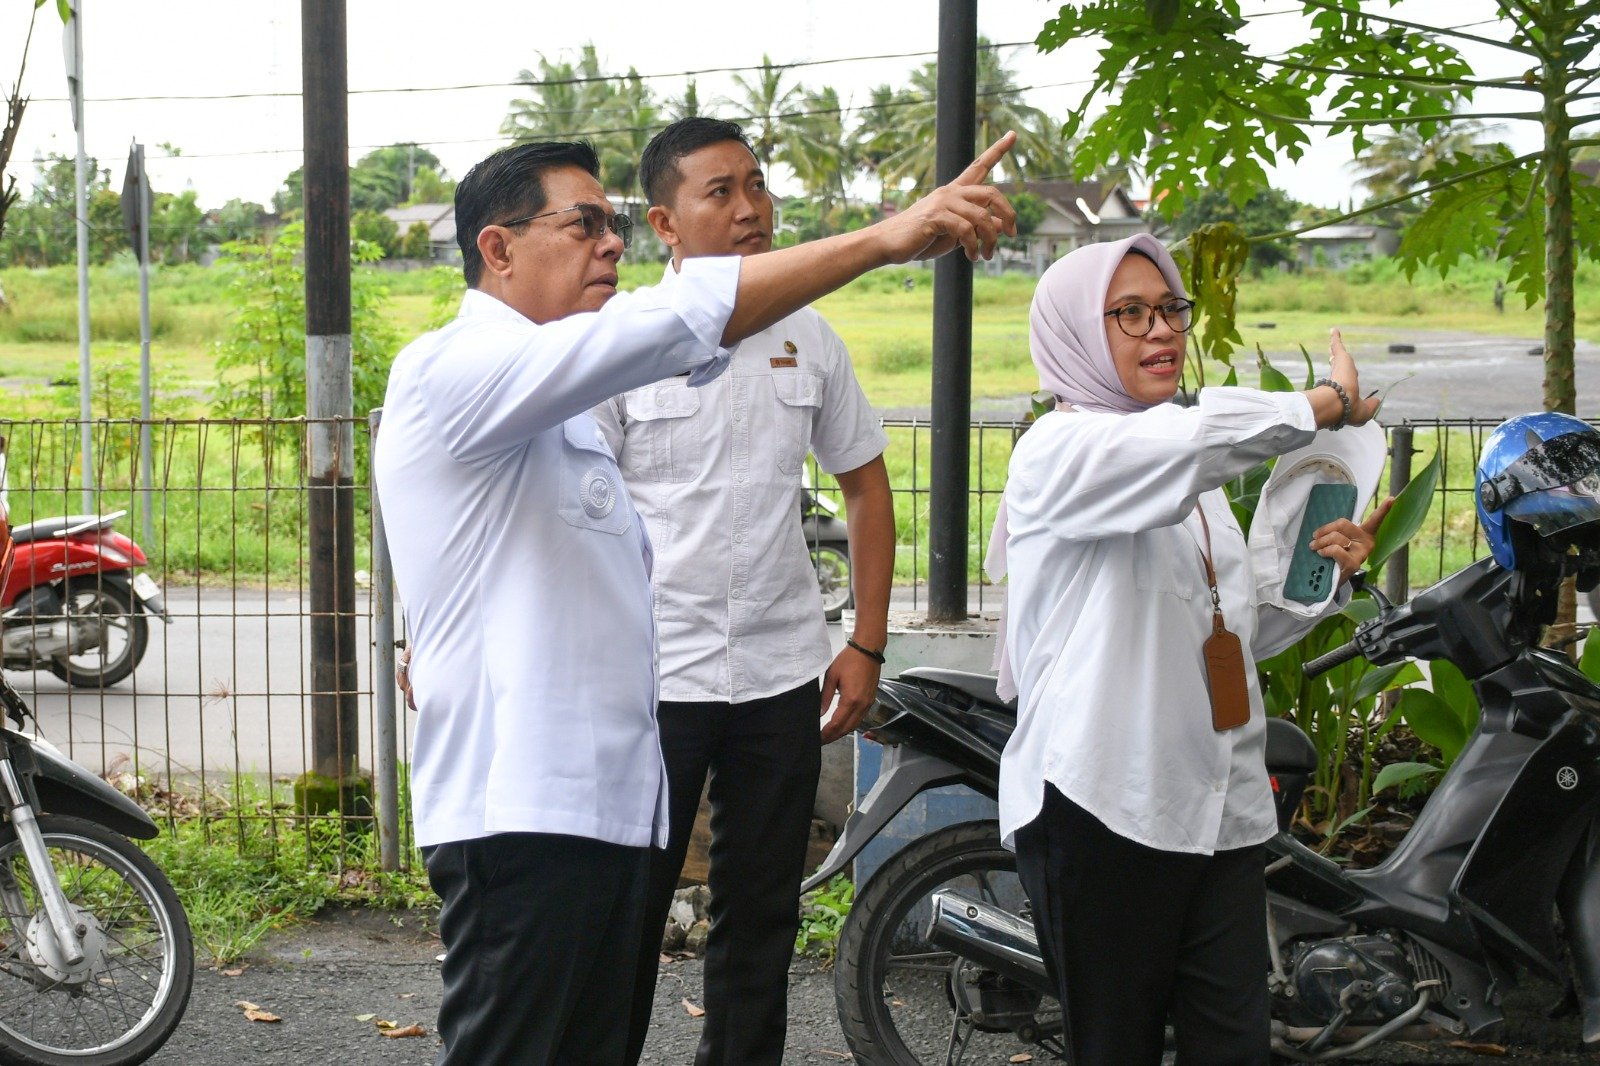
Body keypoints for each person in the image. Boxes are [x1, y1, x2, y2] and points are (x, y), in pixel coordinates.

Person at [374, 135, 1017, 1066]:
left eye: (617, 225)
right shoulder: (449, 368)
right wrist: (885, 237)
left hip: (604, 798)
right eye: (585, 223)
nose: (611, 245)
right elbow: (682, 322)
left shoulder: (561, 399)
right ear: (497, 249)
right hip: (520, 810)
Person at [986, 233, 1387, 1066]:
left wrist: (1325, 570)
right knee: (1117, 1047)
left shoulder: (1191, 482)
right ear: (1075, 333)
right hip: (1106, 807)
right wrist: (1313, 407)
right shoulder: (1061, 452)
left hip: (1220, 806)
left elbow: (1233, 631)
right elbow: (1188, 445)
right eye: (1129, 314)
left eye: (1169, 309)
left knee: (1233, 1046)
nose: (1160, 330)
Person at [592, 118, 893, 1066]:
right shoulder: (624, 341)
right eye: (719, 191)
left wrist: (868, 641)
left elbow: (866, 483)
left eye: (756, 185)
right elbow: (569, 511)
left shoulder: (811, 338)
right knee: (628, 913)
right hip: (653, 676)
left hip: (778, 672)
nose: (752, 208)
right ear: (664, 223)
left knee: (761, 914)